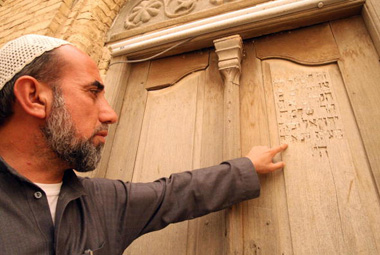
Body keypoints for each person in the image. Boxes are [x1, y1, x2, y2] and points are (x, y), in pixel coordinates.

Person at [0, 34, 287, 255]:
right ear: (35, 97)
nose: (111, 115)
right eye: (92, 93)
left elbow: (174, 194)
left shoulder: (102, 202)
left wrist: (246, 167)